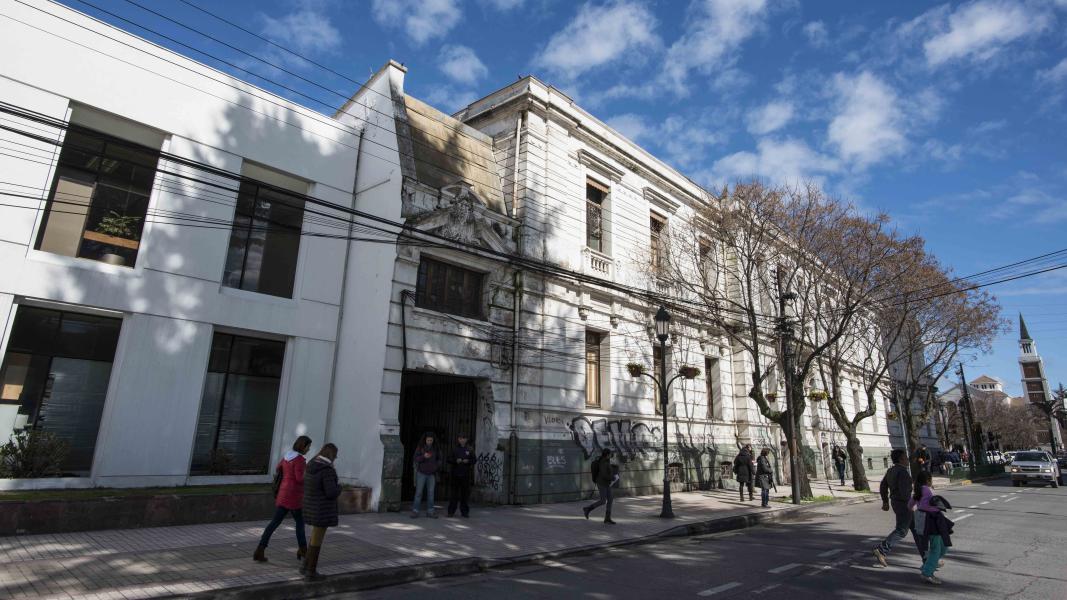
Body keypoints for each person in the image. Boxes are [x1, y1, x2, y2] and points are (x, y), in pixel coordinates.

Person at [254, 435, 312, 563]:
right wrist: (307, 472)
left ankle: (260, 549)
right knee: (300, 523)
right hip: (294, 496)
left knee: (274, 522)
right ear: (303, 446)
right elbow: (299, 478)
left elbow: (278, 468)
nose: (309, 449)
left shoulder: (287, 456)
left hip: (283, 493)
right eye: (308, 447)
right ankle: (303, 550)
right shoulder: (299, 460)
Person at [301, 443, 340, 580]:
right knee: (317, 540)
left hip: (311, 506)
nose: (336, 457)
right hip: (322, 509)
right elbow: (331, 492)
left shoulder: (311, 465)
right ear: (331, 454)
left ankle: (305, 566)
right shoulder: (326, 470)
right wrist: (339, 488)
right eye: (335, 455)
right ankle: (311, 572)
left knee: (314, 537)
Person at [910, 470, 954, 584]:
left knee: (943, 546)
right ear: (928, 480)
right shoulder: (927, 490)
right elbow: (928, 506)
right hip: (932, 522)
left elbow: (910, 505)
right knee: (936, 548)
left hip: (924, 522)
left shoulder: (918, 491)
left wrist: (917, 512)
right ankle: (927, 573)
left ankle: (928, 565)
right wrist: (938, 507)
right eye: (931, 479)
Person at [873, 448, 914, 567]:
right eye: (906, 458)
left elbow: (883, 485)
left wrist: (885, 501)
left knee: (917, 529)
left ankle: (928, 557)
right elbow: (904, 493)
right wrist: (911, 504)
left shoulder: (891, 470)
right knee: (902, 530)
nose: (907, 460)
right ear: (901, 459)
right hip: (904, 504)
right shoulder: (903, 472)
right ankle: (881, 550)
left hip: (896, 502)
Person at [582, 448, 618, 524]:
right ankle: (588, 509)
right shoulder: (603, 463)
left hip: (607, 483)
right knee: (603, 501)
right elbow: (604, 475)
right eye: (610, 454)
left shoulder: (607, 461)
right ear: (607, 455)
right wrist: (612, 478)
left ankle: (607, 518)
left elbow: (608, 471)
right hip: (602, 483)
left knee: (610, 499)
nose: (611, 455)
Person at [447, 433, 477, 518]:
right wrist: (456, 460)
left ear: (466, 439)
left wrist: (468, 461)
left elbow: (474, 460)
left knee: (465, 495)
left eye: (464, 438)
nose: (462, 440)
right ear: (458, 439)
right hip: (455, 475)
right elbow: (448, 459)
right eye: (460, 438)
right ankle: (451, 512)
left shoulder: (470, 449)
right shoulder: (454, 449)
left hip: (466, 475)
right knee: (454, 494)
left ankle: (464, 512)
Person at [412, 432, 441, 518]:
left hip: (431, 474)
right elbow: (415, 458)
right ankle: (415, 511)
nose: (429, 442)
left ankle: (430, 512)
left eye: (431, 440)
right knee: (418, 493)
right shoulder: (420, 447)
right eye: (428, 440)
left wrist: (436, 467)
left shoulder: (436, 448)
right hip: (421, 473)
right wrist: (423, 457)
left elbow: (439, 459)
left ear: (433, 440)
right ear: (425, 440)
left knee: (431, 493)